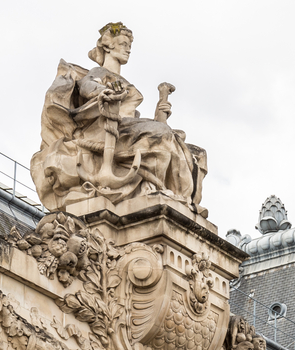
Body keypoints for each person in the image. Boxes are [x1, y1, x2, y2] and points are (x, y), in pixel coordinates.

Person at [31, 22, 206, 213]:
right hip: (105, 129)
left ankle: (179, 197)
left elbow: (135, 120)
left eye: (129, 46)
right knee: (163, 133)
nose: (128, 50)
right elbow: (87, 86)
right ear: (108, 46)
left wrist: (159, 114)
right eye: (123, 44)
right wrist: (104, 91)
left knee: (194, 152)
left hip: (125, 129)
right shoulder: (99, 72)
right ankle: (165, 190)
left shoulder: (124, 82)